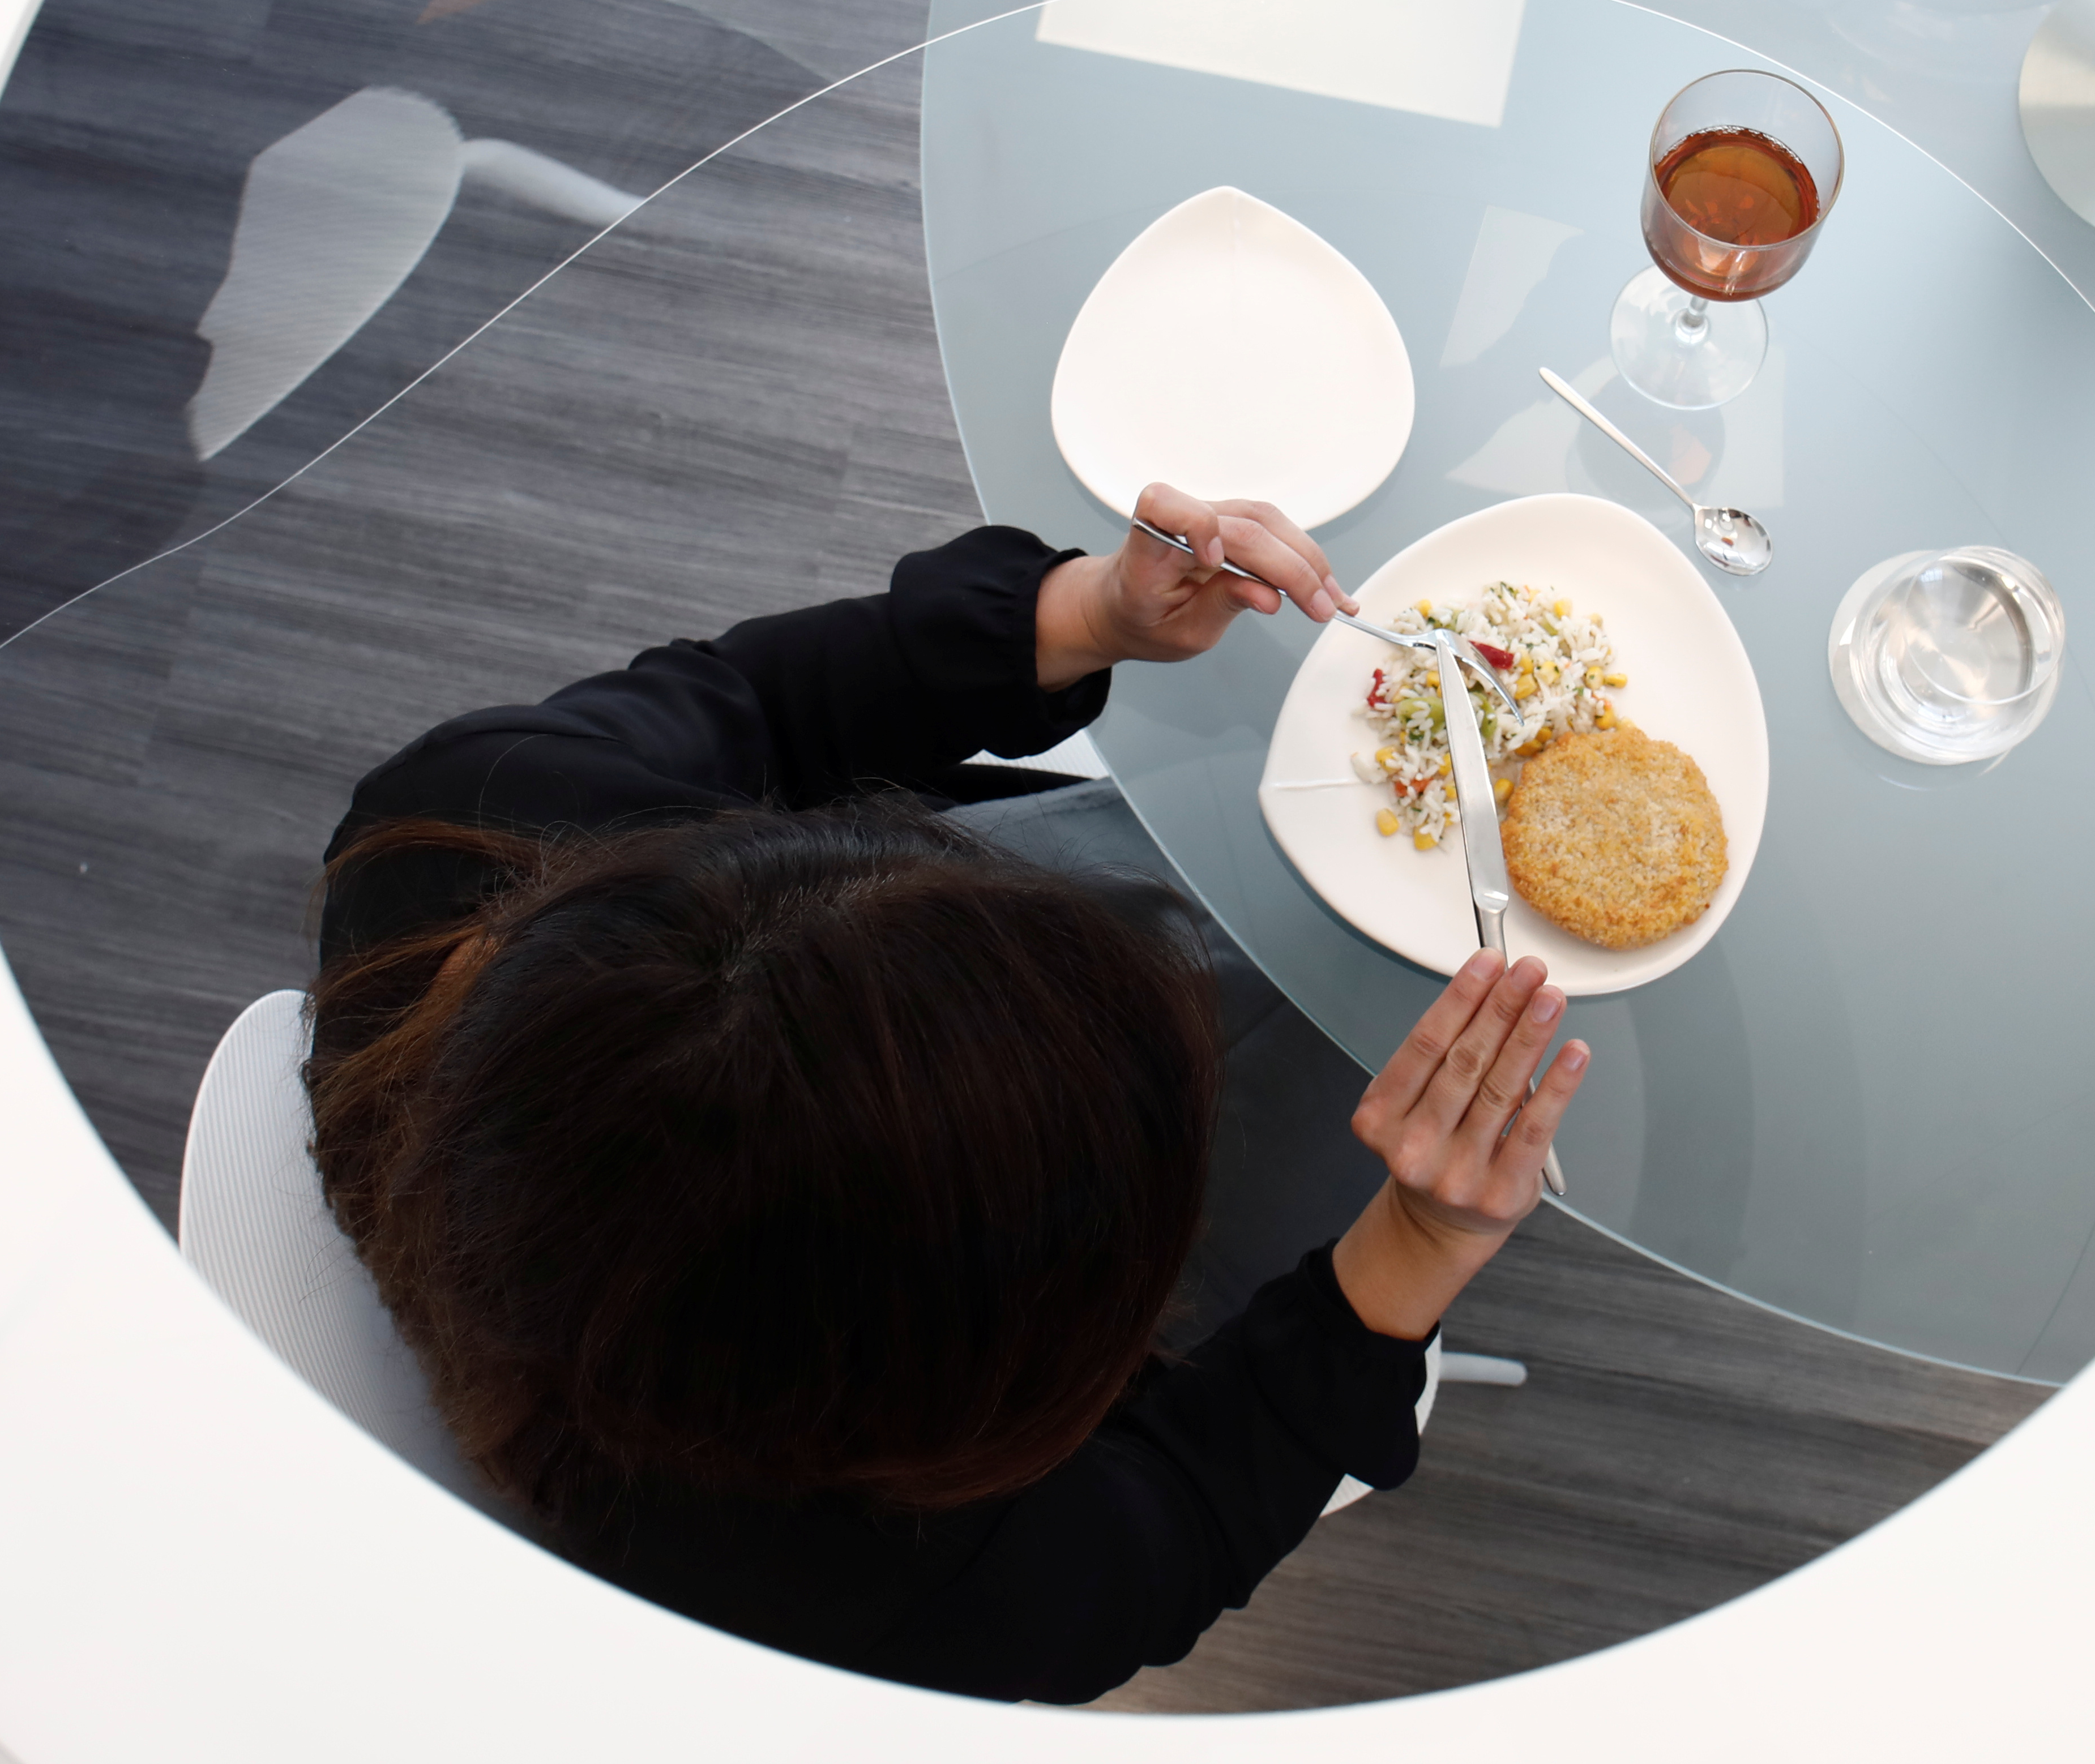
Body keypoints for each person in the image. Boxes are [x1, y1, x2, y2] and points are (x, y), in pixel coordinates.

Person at [309, 483, 1587, 1702]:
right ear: (995, 1371)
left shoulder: (471, 827)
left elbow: (767, 704)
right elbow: (1180, 1519)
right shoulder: (888, 1598)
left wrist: (1085, 615)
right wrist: (1416, 1247)